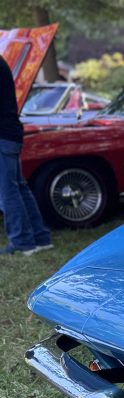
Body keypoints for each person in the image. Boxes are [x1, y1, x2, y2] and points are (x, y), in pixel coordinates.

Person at [0, 58, 51, 256]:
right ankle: (40, 237)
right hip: (10, 133)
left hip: (3, 135)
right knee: (19, 187)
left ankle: (22, 242)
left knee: (7, 191)